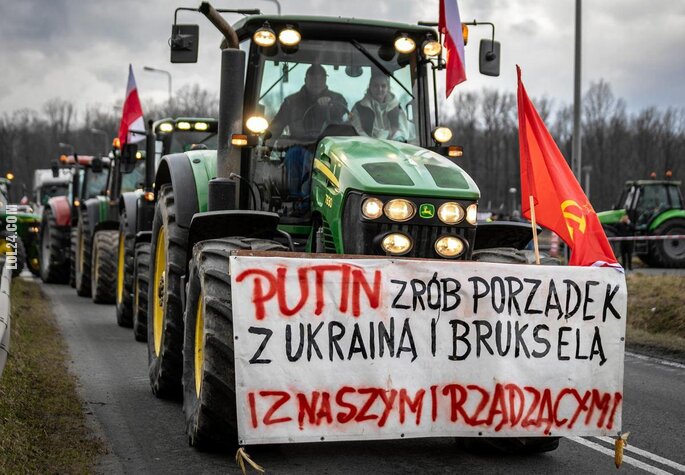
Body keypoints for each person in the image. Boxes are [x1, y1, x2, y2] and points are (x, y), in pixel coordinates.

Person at [269, 64, 348, 140]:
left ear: (325, 80)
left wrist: (331, 105)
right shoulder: (291, 102)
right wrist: (265, 146)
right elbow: (276, 128)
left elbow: (342, 111)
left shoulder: (337, 99)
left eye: (320, 79)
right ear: (305, 80)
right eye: (313, 79)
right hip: (298, 146)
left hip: (326, 148)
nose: (317, 83)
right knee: (293, 153)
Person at [350, 72, 414, 141]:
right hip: (366, 147)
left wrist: (393, 141)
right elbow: (357, 130)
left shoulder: (397, 107)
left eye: (383, 86)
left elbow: (402, 130)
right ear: (370, 87)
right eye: (375, 86)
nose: (380, 89)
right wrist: (371, 143)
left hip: (392, 148)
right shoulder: (359, 107)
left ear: (388, 88)